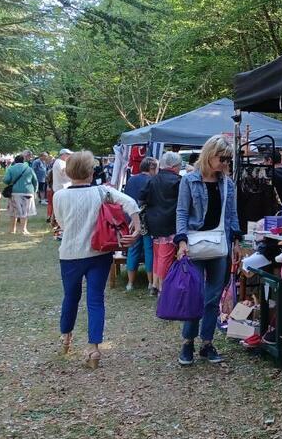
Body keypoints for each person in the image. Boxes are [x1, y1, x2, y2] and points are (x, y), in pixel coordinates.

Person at [52, 150, 141, 368]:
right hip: (99, 253)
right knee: (95, 300)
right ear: (91, 172)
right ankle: (93, 349)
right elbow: (130, 203)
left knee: (70, 297)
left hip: (70, 255)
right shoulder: (102, 192)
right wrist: (136, 226)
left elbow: (62, 224)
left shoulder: (59, 196)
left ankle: (66, 337)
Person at [174, 135, 242, 366]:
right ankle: (187, 342)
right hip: (195, 243)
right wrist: (181, 241)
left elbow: (232, 214)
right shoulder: (190, 180)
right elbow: (182, 212)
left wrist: (237, 242)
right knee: (195, 296)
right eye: (222, 158)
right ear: (209, 155)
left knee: (212, 298)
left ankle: (207, 343)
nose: (225, 164)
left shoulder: (227, 183)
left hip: (220, 243)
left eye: (228, 159)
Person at [141, 151, 183, 296]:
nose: (179, 168)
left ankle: (155, 284)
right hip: (170, 223)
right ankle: (163, 290)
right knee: (165, 257)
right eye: (179, 165)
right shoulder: (178, 181)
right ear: (173, 166)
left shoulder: (152, 180)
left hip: (153, 223)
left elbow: (142, 198)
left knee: (158, 255)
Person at [124, 156, 157, 292]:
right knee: (149, 250)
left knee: (133, 250)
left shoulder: (131, 180)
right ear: (151, 168)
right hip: (147, 221)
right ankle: (150, 284)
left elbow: (125, 200)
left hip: (132, 220)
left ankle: (130, 283)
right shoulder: (152, 181)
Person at [2, 152, 38, 235]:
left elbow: (6, 180)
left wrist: (11, 182)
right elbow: (35, 181)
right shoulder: (29, 169)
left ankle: (12, 230)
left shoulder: (11, 169)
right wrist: (35, 191)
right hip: (27, 192)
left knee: (13, 211)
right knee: (24, 211)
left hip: (15, 192)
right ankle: (23, 229)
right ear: (23, 161)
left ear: (15, 161)